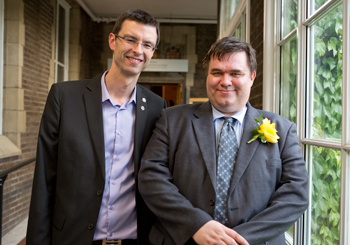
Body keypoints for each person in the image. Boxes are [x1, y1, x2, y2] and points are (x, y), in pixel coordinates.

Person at [138, 36, 309, 245]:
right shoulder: (171, 120)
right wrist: (196, 224)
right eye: (217, 72)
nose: (225, 81)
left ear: (252, 77)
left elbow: (296, 194)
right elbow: (151, 178)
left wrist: (239, 239)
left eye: (235, 73)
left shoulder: (283, 129)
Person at [27, 9, 166, 245]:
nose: (138, 50)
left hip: (135, 239)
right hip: (74, 236)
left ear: (152, 52)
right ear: (113, 41)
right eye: (130, 39)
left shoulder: (156, 107)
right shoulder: (64, 97)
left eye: (147, 44)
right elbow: (44, 178)